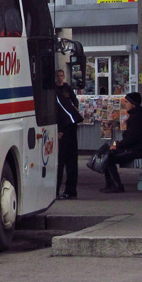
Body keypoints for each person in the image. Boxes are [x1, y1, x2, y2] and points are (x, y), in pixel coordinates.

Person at [101, 92, 142, 193]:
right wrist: (116, 145)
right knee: (107, 154)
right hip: (133, 148)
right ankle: (110, 184)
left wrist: (117, 146)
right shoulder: (135, 116)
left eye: (127, 102)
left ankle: (116, 185)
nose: (125, 104)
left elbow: (132, 138)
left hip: (137, 150)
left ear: (133, 104)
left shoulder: (137, 118)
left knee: (109, 157)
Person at [54, 69, 81, 199]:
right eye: (57, 76)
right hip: (68, 123)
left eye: (61, 76)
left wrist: (59, 129)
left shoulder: (64, 89)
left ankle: (68, 190)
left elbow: (72, 102)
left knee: (65, 160)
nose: (60, 78)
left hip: (67, 125)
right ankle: (61, 190)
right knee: (63, 160)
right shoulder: (54, 90)